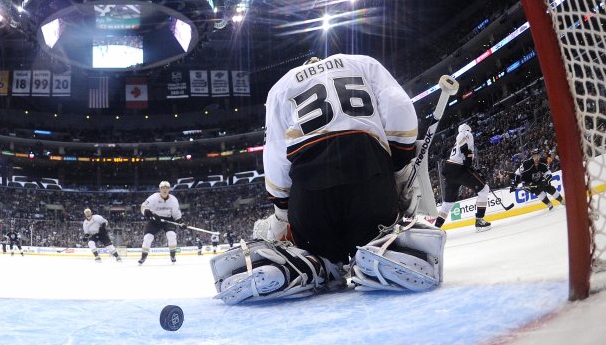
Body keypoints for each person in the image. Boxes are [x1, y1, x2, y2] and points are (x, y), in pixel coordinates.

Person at [211, 54, 446, 304]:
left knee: (315, 248)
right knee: (379, 232)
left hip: (311, 196)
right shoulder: (364, 63)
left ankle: (313, 266)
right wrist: (399, 166)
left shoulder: (281, 86)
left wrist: (282, 212)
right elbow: (399, 107)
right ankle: (379, 252)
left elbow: (275, 158)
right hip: (369, 179)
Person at [434, 123, 491, 230]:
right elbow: (466, 150)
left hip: (450, 169)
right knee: (484, 189)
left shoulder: (459, 138)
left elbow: (464, 151)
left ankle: (436, 227)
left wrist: (470, 165)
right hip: (458, 169)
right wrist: (468, 163)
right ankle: (479, 220)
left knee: (448, 202)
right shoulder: (466, 134)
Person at [137, 181, 185, 265]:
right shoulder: (153, 197)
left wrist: (180, 222)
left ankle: (172, 255)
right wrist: (148, 214)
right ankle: (143, 257)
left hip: (168, 219)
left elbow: (176, 214)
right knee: (148, 237)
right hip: (155, 220)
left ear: (169, 189)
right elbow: (143, 206)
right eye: (163, 188)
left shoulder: (173, 200)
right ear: (160, 189)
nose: (165, 190)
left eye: (167, 188)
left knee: (172, 235)